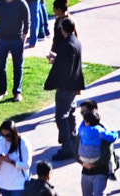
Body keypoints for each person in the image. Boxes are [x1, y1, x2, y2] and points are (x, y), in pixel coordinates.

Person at [46, 10, 86, 161]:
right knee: (70, 113)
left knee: (61, 116)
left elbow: (66, 68)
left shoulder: (68, 45)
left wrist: (55, 62)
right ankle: (73, 140)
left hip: (66, 87)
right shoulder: (75, 41)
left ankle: (67, 147)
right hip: (74, 85)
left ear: (63, 29)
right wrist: (58, 58)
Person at [0, 118, 33, 196]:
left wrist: (11, 162)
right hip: (4, 185)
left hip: (19, 186)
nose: (5, 138)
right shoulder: (0, 141)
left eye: (8, 135)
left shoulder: (23, 143)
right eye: (2, 135)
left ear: (14, 133)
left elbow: (27, 165)